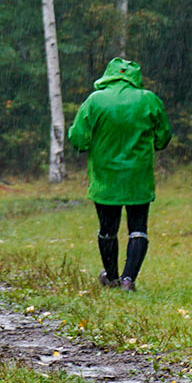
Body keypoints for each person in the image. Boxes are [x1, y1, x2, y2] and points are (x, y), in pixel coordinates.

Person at [66, 58, 172, 291]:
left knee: (107, 229)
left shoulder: (95, 101)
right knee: (138, 228)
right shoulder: (148, 99)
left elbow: (78, 139)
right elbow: (164, 137)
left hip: (105, 177)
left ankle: (112, 277)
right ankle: (128, 279)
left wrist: (91, 144)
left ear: (109, 74)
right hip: (138, 177)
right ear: (135, 76)